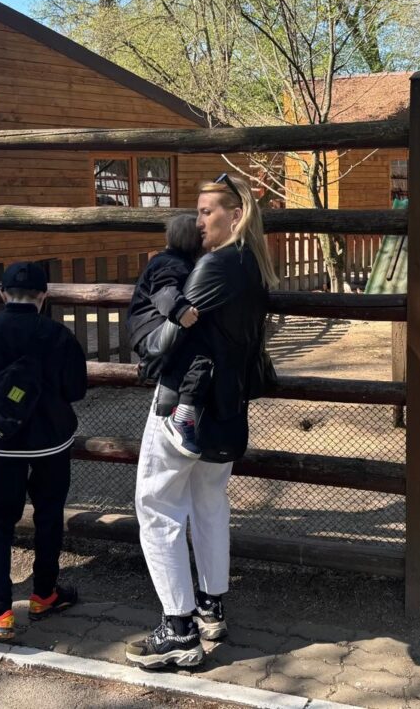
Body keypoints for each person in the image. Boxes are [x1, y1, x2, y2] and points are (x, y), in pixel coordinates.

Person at [126, 174, 277, 669]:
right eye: (197, 212)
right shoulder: (254, 265)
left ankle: (178, 630)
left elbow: (164, 342)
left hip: (184, 403)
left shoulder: (214, 264)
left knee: (156, 506)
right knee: (210, 502)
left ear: (236, 215)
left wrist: (148, 337)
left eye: (207, 211)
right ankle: (210, 607)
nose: (198, 221)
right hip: (227, 406)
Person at [0, 261, 88, 641]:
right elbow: (76, 390)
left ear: (2, 294)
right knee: (49, 514)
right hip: (52, 441)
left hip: (2, 443)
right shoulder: (59, 336)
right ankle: (44, 594)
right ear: (44, 296)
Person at [126, 213, 210, 457]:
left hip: (147, 330)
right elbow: (164, 290)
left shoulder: (171, 260)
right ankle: (181, 417)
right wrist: (180, 310)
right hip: (151, 330)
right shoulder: (171, 264)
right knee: (201, 351)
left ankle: (153, 365)